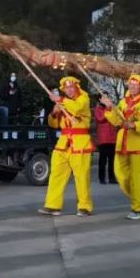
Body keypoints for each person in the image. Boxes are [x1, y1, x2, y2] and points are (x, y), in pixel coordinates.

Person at [102, 74, 140, 220]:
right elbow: (116, 121)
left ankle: (138, 210)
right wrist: (108, 108)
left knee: (137, 178)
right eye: (130, 85)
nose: (132, 87)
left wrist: (134, 125)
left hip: (138, 144)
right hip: (122, 144)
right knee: (120, 174)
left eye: (135, 85)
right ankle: (139, 196)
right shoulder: (123, 102)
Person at [38, 76, 94, 217]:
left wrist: (60, 100)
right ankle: (52, 205)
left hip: (80, 142)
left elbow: (77, 108)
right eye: (66, 88)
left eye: (71, 87)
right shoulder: (63, 102)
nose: (69, 90)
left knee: (81, 176)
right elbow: (53, 124)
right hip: (63, 142)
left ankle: (85, 206)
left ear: (76, 87)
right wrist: (54, 113)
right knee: (56, 174)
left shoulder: (84, 98)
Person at [94, 101, 118, 184]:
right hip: (103, 138)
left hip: (113, 137)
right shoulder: (98, 109)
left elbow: (117, 119)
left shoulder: (113, 108)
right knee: (103, 160)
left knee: (112, 160)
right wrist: (107, 109)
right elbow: (100, 119)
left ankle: (112, 178)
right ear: (100, 99)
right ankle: (102, 178)